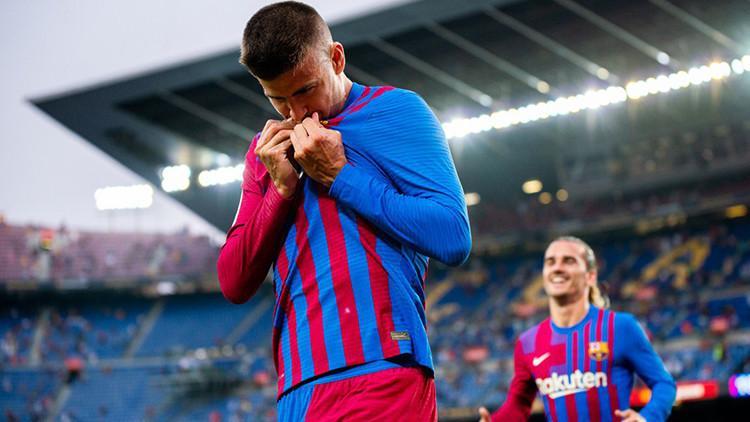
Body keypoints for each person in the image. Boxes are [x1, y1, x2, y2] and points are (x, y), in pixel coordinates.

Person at [216, 2, 471, 420]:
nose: (297, 113)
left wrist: (340, 176)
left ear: (336, 58)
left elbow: (453, 234)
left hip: (382, 369)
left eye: (305, 90)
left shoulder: (396, 112)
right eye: (278, 99)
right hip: (298, 388)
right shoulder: (266, 152)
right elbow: (233, 281)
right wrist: (280, 190)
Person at [479, 236, 676, 422]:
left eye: (569, 261)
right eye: (550, 262)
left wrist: (647, 417)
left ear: (590, 276)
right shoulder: (528, 343)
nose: (557, 268)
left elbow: (664, 384)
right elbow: (518, 404)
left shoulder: (620, 327)